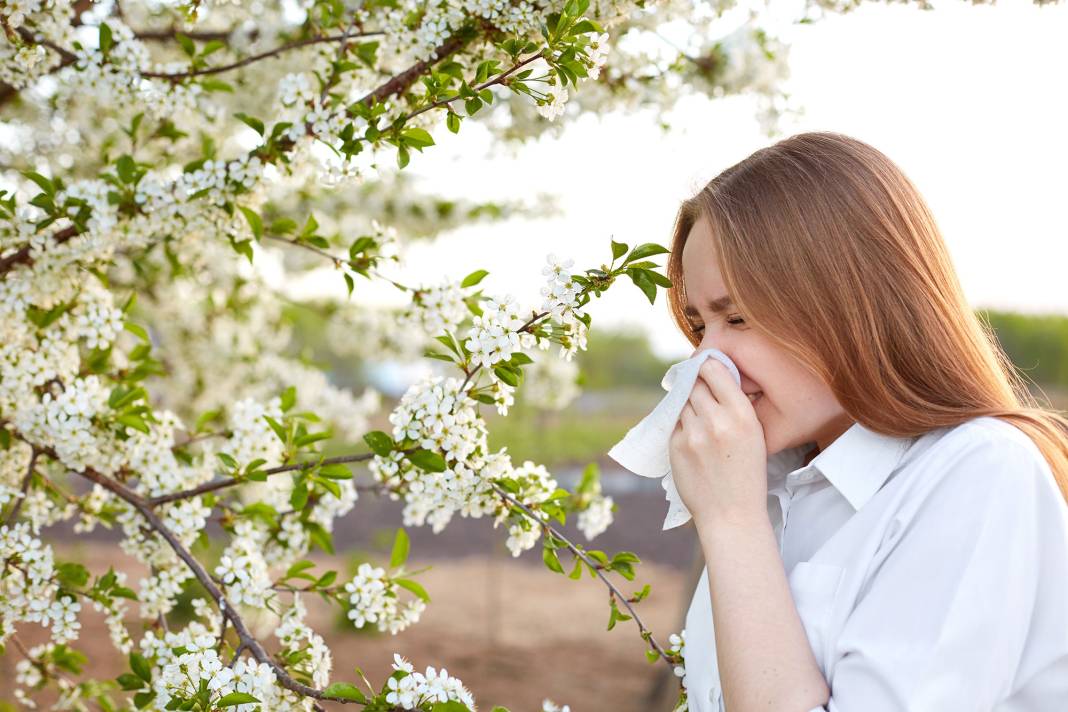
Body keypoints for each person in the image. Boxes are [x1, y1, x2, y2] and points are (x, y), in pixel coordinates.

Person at [664, 131, 1068, 712]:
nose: (708, 360)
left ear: (849, 302)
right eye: (701, 326)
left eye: (739, 317)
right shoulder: (774, 487)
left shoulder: (979, 472)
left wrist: (731, 524)